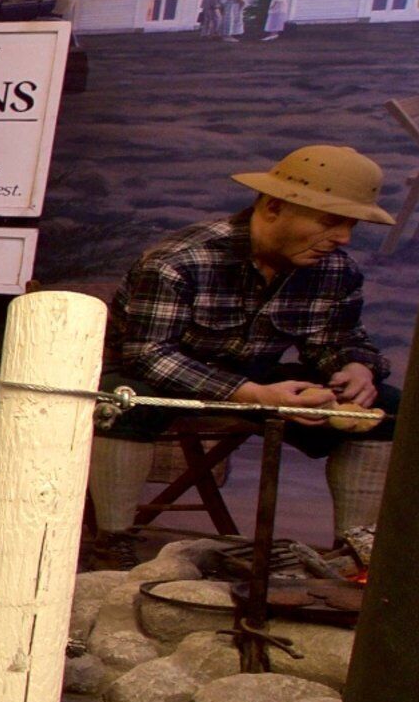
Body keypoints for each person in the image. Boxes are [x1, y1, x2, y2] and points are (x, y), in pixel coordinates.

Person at [93, 144, 397, 545]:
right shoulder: (180, 261)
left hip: (255, 376)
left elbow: (337, 338)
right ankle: (112, 541)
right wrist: (252, 395)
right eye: (331, 222)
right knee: (122, 402)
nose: (342, 238)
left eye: (351, 226)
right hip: (160, 377)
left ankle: (355, 549)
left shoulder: (334, 271)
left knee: (388, 408)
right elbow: (149, 354)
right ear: (273, 208)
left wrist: (355, 366)